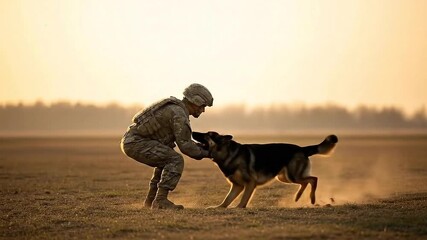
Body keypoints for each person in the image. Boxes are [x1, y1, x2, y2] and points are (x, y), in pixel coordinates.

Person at [120, 83, 213, 210]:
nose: (203, 110)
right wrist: (209, 152)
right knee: (175, 159)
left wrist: (201, 147)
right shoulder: (179, 114)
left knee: (165, 159)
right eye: (202, 106)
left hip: (132, 141)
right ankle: (160, 200)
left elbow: (185, 141)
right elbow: (186, 145)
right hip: (136, 142)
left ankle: (150, 201)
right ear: (195, 101)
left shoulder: (175, 108)